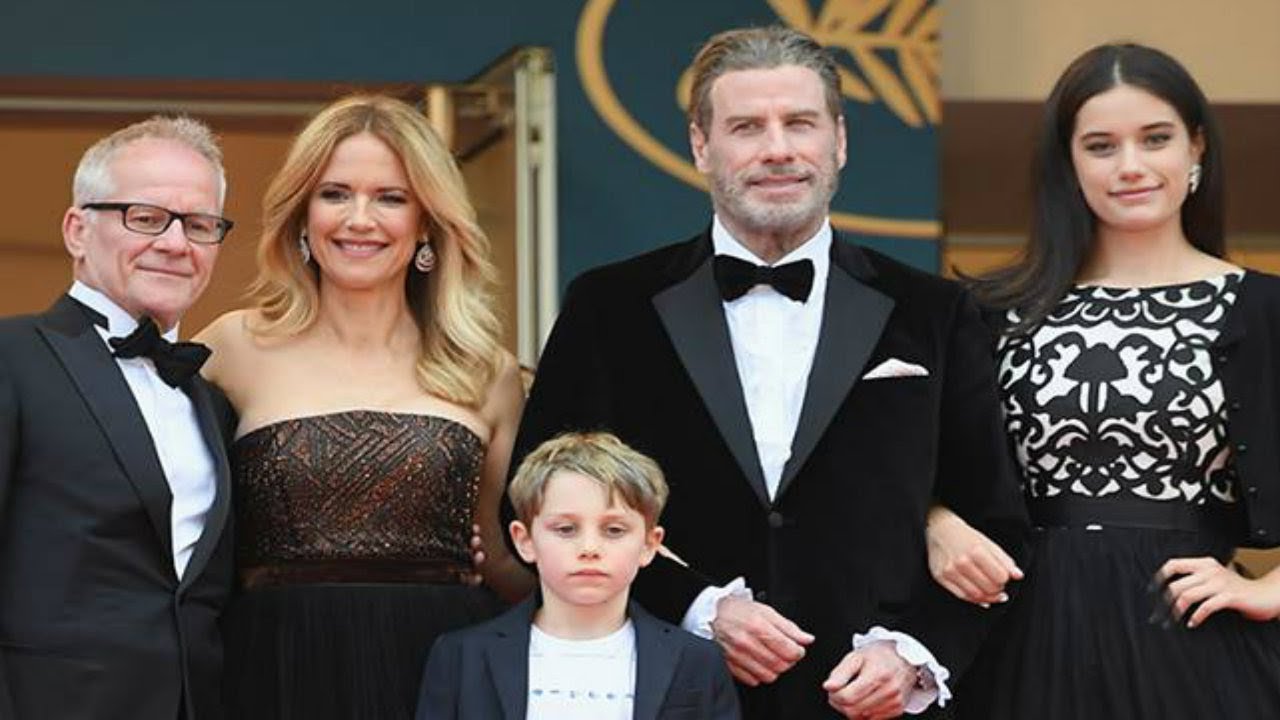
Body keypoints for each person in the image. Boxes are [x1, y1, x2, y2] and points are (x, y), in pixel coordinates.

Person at [507, 26, 1027, 719]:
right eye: (747, 126)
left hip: (869, 709)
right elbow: (537, 505)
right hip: (669, 693)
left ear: (838, 141)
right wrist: (699, 609)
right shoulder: (609, 306)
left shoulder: (934, 311)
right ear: (701, 146)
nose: (777, 149)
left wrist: (910, 653)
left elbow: (996, 526)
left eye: (800, 124)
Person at [923, 43, 1280, 718]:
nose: (1132, 167)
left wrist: (1270, 590)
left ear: (1196, 147)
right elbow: (908, 463)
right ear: (1069, 164)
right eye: (1101, 145)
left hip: (1189, 645)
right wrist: (937, 523)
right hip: (1014, 637)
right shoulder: (991, 314)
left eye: (1156, 139)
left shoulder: (1263, 310)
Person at [196, 94, 531, 720]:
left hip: (441, 671)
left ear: (427, 221)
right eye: (335, 194)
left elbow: (503, 564)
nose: (359, 219)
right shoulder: (230, 346)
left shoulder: (488, 370)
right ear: (301, 212)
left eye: (391, 198)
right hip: (271, 670)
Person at [0, 116, 236, 719]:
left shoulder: (213, 400)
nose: (176, 244)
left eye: (199, 225)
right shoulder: (12, 357)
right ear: (78, 230)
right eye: (146, 217)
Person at [418, 431, 740, 719]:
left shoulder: (696, 660)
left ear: (649, 545)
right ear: (524, 540)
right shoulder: (462, 656)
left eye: (613, 530)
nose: (589, 548)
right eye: (566, 529)